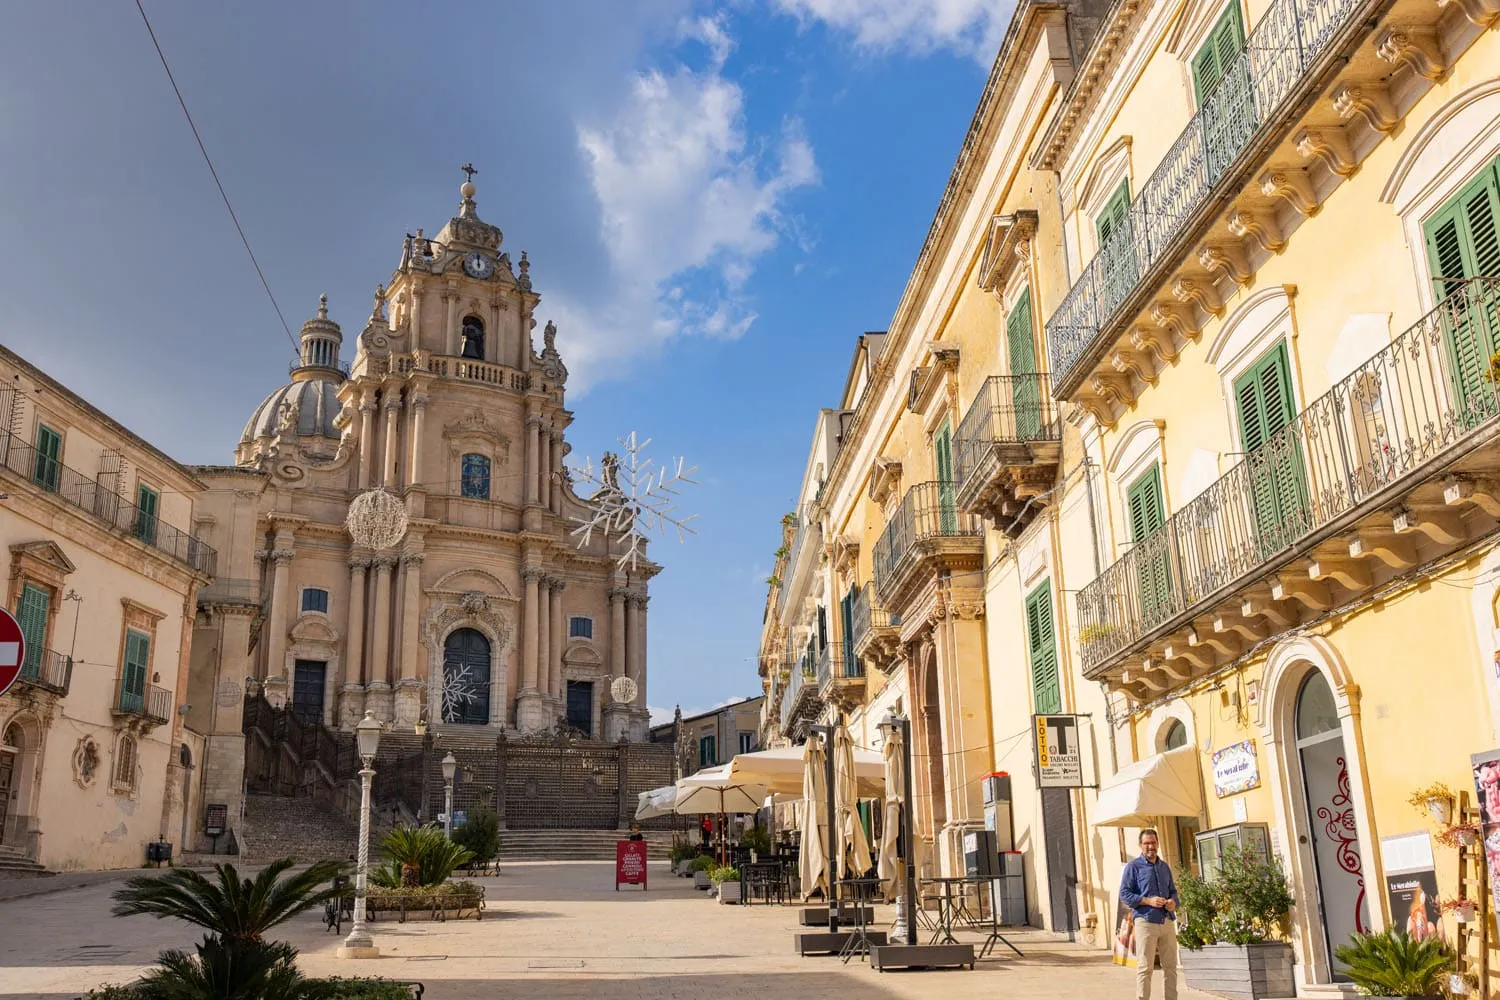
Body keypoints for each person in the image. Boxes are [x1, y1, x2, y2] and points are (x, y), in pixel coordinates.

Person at [1118, 829, 1180, 1000]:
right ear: (1140, 845)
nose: (1150, 846)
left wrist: (1173, 902)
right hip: (1145, 922)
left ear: (1158, 844)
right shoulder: (1133, 867)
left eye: (1153, 843)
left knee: (1171, 967)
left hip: (1167, 921)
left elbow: (1173, 892)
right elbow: (1124, 894)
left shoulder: (1164, 867)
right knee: (1145, 968)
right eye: (1146, 843)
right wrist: (1148, 901)